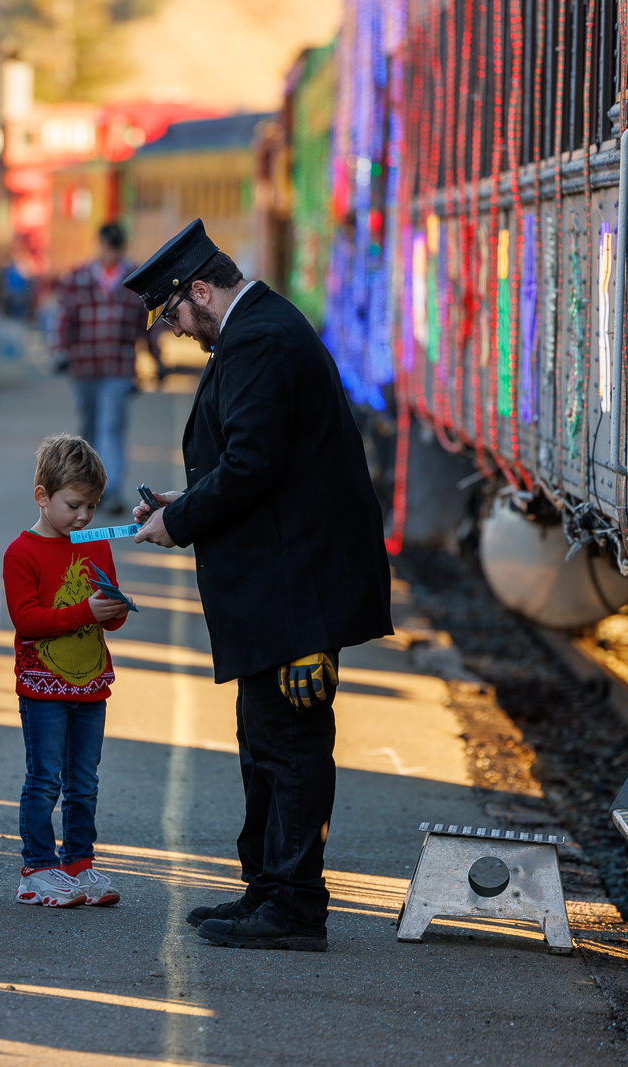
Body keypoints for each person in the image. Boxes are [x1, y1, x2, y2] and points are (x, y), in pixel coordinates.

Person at [124, 219, 393, 952]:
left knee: (290, 744)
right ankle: (268, 888)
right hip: (282, 583)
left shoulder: (259, 340)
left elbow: (252, 464)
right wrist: (184, 503)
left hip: (294, 591)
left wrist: (181, 521)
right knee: (265, 740)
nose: (177, 332)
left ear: (200, 290)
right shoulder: (258, 330)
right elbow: (259, 461)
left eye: (174, 315)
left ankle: (295, 904)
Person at [2, 434, 130, 908]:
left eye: (92, 507)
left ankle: (78, 862)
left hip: (91, 683)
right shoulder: (22, 552)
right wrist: (85, 612)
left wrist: (115, 610)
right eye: (74, 505)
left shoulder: (95, 542)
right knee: (44, 779)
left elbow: (108, 618)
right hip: (43, 688)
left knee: (84, 781)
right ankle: (37, 868)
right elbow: (27, 622)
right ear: (42, 495)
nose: (84, 517)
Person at [52, 222, 160, 515]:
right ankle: (88, 488)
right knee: (89, 428)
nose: (110, 252)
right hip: (84, 366)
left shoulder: (135, 279)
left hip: (119, 368)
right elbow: (64, 317)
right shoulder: (78, 278)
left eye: (115, 246)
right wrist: (60, 351)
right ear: (99, 245)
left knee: (111, 426)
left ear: (122, 247)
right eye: (107, 246)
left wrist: (157, 359)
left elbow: (148, 324)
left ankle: (110, 491)